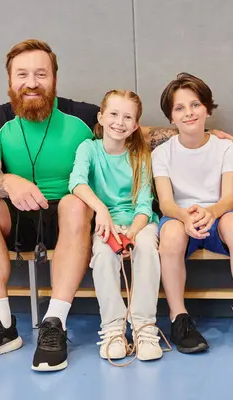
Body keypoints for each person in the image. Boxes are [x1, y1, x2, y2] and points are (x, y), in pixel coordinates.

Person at [0, 38, 233, 371]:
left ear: (54, 79)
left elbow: (137, 133)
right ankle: (1, 323)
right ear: (9, 81)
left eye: (41, 74)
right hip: (15, 219)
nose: (31, 82)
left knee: (75, 205)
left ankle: (54, 323)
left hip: (72, 219)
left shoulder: (82, 114)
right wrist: (8, 181)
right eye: (22, 74)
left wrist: (204, 131)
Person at [152, 73, 233, 359]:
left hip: (217, 216)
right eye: (179, 108)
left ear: (207, 109)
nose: (189, 113)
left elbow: (230, 198)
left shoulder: (224, 147)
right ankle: (179, 318)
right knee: (169, 235)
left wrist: (211, 212)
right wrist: (185, 217)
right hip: (179, 218)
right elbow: (166, 203)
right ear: (171, 117)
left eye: (195, 105)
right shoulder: (161, 153)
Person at [69, 89, 162, 361]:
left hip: (138, 223)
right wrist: (101, 211)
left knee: (146, 247)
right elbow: (76, 182)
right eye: (113, 114)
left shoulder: (139, 156)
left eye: (127, 117)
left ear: (135, 126)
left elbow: (145, 204)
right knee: (103, 253)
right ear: (101, 117)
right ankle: (113, 328)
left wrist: (132, 232)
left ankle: (144, 326)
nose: (119, 122)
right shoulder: (89, 148)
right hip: (105, 222)